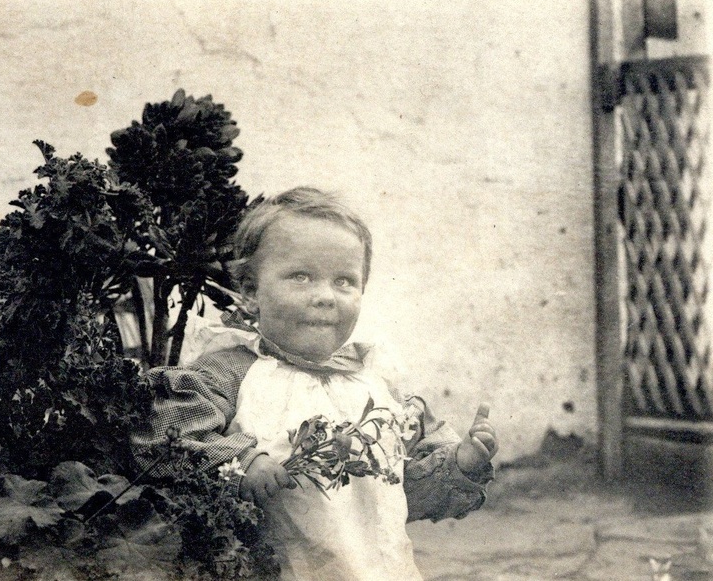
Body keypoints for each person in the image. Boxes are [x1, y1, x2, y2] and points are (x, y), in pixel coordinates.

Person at [131, 186, 497, 580]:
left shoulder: (377, 387)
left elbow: (401, 492)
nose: (325, 296)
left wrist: (461, 462)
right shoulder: (231, 371)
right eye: (301, 277)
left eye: (344, 281)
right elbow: (168, 432)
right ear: (251, 292)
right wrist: (240, 461)